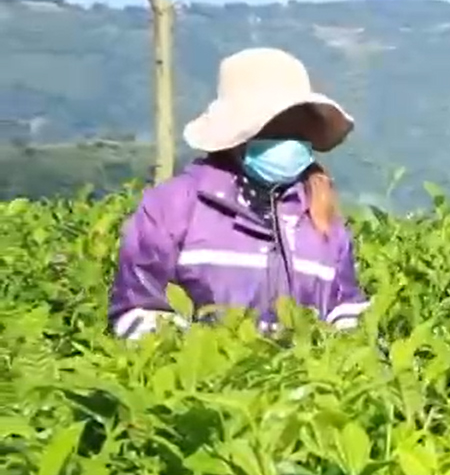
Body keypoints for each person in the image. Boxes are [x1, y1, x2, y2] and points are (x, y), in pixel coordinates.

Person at [108, 47, 370, 339]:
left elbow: (345, 313)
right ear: (235, 133)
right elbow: (137, 308)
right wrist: (202, 354)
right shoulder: (173, 207)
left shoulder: (323, 220)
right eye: (271, 127)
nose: (285, 139)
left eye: (295, 128)